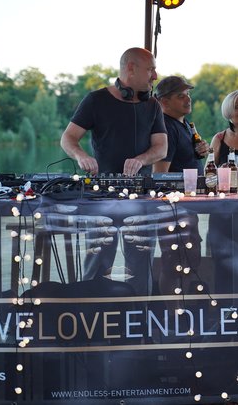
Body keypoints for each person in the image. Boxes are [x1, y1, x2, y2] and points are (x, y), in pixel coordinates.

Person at [59, 47, 168, 295]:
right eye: (150, 69)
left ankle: (139, 314)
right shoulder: (95, 100)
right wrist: (81, 156)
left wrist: (141, 159)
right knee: (96, 267)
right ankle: (93, 314)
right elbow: (68, 138)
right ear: (131, 68)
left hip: (141, 198)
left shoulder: (152, 105)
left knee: (140, 269)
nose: (155, 76)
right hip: (100, 199)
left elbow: (161, 148)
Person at [152, 76, 210, 296]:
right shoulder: (166, 128)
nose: (188, 99)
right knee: (173, 263)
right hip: (173, 209)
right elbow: (160, 175)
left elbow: (184, 159)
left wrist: (200, 151)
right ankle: (172, 309)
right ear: (164, 102)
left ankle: (182, 307)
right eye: (181, 96)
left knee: (190, 259)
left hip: (188, 207)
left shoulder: (184, 124)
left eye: (188, 94)